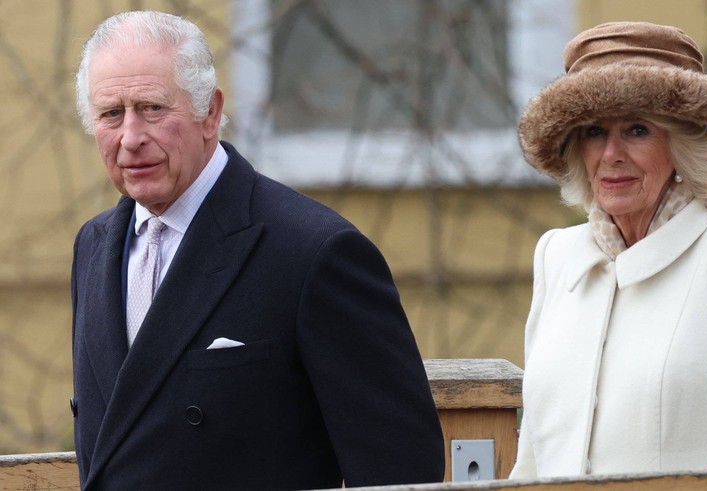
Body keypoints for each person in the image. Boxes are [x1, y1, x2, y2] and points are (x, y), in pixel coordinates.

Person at [70, 10, 444, 490]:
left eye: (152, 108)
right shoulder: (94, 246)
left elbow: (401, 468)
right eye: (111, 114)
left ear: (209, 112)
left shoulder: (314, 251)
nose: (131, 138)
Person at [509, 21, 707, 478]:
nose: (610, 154)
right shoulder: (556, 254)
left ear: (683, 143)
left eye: (636, 130)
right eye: (593, 131)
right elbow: (530, 462)